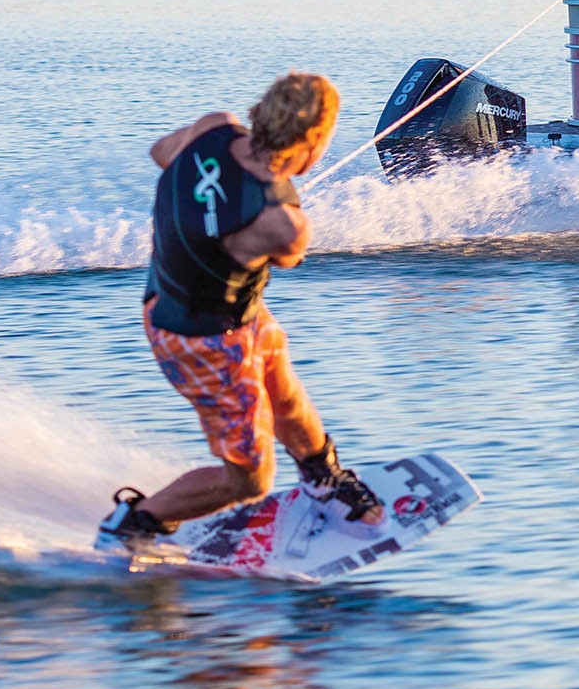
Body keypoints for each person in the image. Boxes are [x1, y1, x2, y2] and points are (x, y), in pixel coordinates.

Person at [96, 72, 383, 553]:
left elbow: (162, 154)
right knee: (249, 480)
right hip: (199, 339)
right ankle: (134, 523)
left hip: (220, 309)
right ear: (312, 146)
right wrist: (269, 190)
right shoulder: (281, 223)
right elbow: (288, 256)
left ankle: (322, 477)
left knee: (283, 389)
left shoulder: (212, 128)